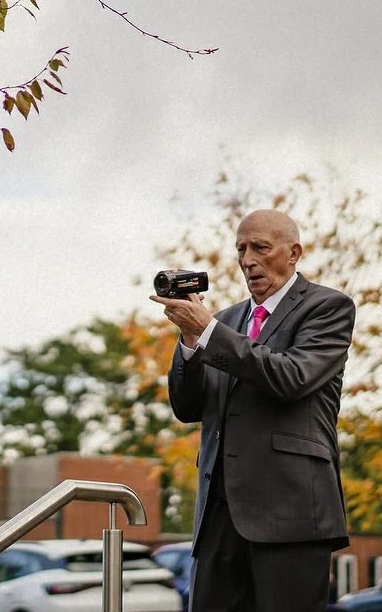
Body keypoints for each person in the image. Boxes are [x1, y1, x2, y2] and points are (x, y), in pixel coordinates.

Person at [151, 208, 355, 612]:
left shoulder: (328, 308)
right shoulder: (224, 321)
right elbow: (188, 407)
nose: (248, 260)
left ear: (294, 252)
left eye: (260, 248)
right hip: (218, 518)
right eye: (241, 250)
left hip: (292, 517)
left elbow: (290, 377)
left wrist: (209, 331)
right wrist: (191, 339)